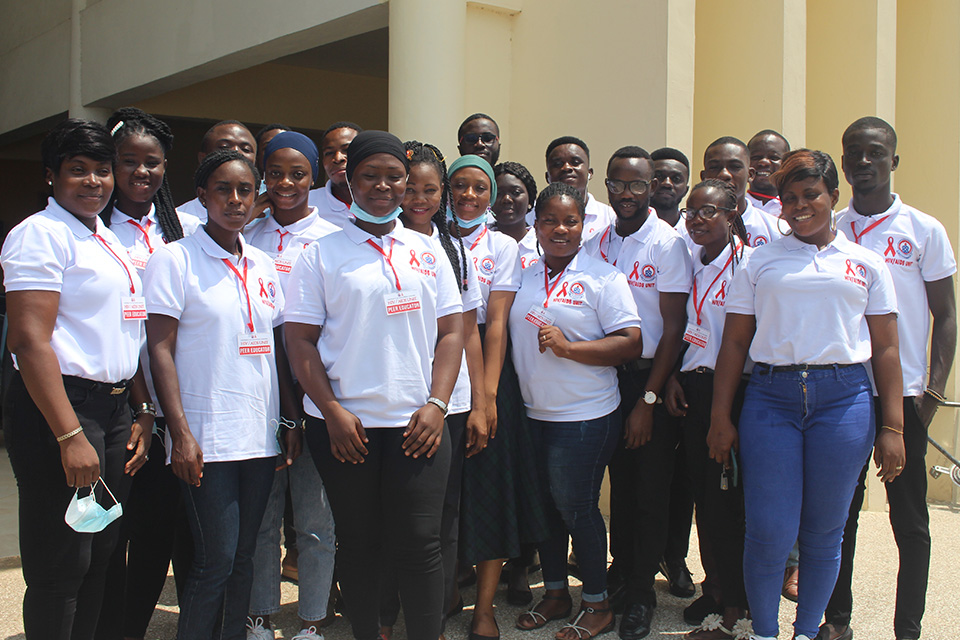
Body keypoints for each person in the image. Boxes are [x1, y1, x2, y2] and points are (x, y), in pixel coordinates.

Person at [708, 149, 906, 640]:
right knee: (768, 531)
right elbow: (734, 344)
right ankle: (764, 633)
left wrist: (893, 426)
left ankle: (806, 631)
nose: (799, 206)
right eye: (789, 197)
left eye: (810, 194)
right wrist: (720, 417)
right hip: (771, 400)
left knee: (824, 532)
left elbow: (886, 349)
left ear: (833, 196)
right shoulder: (760, 261)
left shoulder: (866, 263)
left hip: (844, 401)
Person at [284, 130, 464, 640]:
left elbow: (452, 333)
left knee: (421, 543)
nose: (382, 186)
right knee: (360, 543)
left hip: (418, 424)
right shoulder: (320, 254)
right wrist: (331, 411)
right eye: (369, 176)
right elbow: (300, 342)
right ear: (350, 179)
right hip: (346, 428)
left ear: (407, 182)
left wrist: (438, 403)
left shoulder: (427, 249)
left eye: (393, 177)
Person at [1, 118, 150, 640]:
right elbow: (29, 342)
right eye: (77, 170)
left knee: (99, 555)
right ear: (51, 175)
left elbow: (123, 332)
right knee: (60, 565)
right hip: (63, 410)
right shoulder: (40, 235)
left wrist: (139, 410)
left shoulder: (102, 235)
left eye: (102, 171)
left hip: (111, 411)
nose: (93, 182)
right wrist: (69, 435)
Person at [821, 117, 957, 640]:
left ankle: (908, 628)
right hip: (843, 392)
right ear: (843, 162)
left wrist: (933, 392)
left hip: (906, 396)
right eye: (854, 152)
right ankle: (837, 621)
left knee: (910, 521)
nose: (864, 161)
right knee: (840, 515)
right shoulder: (830, 227)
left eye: (875, 152)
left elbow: (946, 317)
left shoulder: (923, 230)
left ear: (893, 161)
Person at [145, 149, 290, 640]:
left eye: (245, 190)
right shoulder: (174, 259)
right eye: (223, 190)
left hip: (258, 437)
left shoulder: (264, 264)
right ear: (202, 196)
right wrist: (180, 434)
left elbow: (275, 349)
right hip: (206, 438)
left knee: (245, 557)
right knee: (215, 561)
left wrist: (288, 422)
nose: (235, 200)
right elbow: (159, 350)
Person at [511, 182, 642, 640]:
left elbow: (630, 342)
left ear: (584, 225)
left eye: (570, 221)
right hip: (533, 414)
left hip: (584, 416)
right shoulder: (526, 275)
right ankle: (555, 593)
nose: (560, 229)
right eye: (549, 220)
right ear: (535, 225)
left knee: (577, 508)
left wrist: (569, 349)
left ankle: (597, 603)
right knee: (546, 507)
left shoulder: (604, 278)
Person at [94, 107, 200, 640]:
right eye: (128, 161)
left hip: (175, 402)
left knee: (159, 531)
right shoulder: (94, 227)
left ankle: (132, 627)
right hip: (118, 403)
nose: (141, 171)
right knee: (108, 532)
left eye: (152, 162)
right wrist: (140, 405)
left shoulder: (182, 228)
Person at [377, 140, 485, 640]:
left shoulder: (453, 249)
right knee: (391, 515)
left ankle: (435, 615)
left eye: (430, 190)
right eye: (411, 189)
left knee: (442, 515)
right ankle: (385, 611)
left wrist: (480, 401)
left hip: (450, 403)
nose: (419, 199)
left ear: (443, 194)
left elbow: (470, 331)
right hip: (395, 400)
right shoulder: (377, 244)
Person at [583, 146, 692, 640]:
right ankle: (622, 574)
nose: (626, 193)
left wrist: (649, 399)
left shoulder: (668, 245)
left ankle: (643, 594)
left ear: (652, 187)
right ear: (606, 185)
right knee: (620, 486)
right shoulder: (596, 242)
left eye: (637, 185)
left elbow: (673, 329)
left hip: (649, 380)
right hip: (606, 380)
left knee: (649, 489)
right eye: (618, 184)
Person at [447, 154, 550, 640]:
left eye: (479, 187)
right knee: (443, 494)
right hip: (434, 374)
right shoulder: (428, 237)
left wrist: (485, 400)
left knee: (491, 492)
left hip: (489, 374)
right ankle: (444, 591)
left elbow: (496, 326)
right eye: (460, 186)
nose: (469, 196)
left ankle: (484, 609)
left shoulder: (502, 246)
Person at [243, 131, 339, 640]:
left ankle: (312, 621)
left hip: (315, 391)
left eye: (297, 173)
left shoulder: (333, 236)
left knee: (316, 518)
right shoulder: (246, 235)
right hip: (257, 391)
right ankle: (259, 615)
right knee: (262, 518)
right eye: (274, 173)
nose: (285, 183)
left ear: (313, 177)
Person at [662, 179, 753, 640]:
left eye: (707, 211)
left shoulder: (749, 266)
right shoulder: (693, 262)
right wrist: (674, 376)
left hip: (734, 394)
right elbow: (687, 328)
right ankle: (716, 590)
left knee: (730, 501)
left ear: (732, 215)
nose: (696, 219)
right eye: (690, 211)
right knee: (705, 497)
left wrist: (724, 413)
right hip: (693, 389)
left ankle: (740, 607)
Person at [700, 137, 779, 248]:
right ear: (704, 177)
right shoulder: (689, 232)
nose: (724, 174)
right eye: (714, 167)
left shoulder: (776, 231)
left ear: (750, 175)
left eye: (735, 167)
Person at [534, 136, 616, 242]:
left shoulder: (610, 218)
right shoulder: (531, 216)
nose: (566, 167)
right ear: (547, 177)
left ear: (589, 173)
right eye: (558, 164)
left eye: (576, 162)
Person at [177, 120, 257, 221]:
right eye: (224, 147)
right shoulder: (178, 221)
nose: (236, 152)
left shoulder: (264, 219)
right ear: (203, 158)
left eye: (246, 149)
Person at [308, 121, 363, 227]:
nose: (338, 158)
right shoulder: (307, 203)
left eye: (347, 150)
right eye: (329, 153)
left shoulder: (385, 199)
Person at [491, 161, 539, 270]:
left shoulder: (543, 246)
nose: (506, 199)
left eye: (516, 192)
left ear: (530, 199)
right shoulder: (479, 243)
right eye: (498, 193)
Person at [745, 130, 790, 218]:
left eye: (774, 157)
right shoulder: (735, 209)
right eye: (756, 157)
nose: (764, 162)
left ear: (786, 164)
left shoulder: (795, 210)